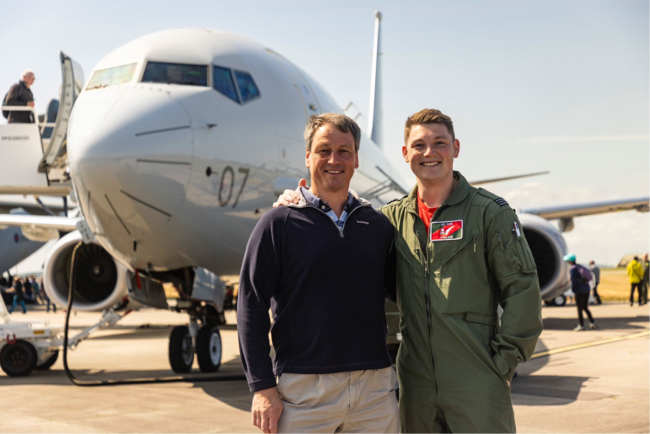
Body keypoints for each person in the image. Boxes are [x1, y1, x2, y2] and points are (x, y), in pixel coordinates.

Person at [275, 109, 543, 433]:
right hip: (415, 385)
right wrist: (298, 202)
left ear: (455, 148)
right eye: (419, 145)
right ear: (405, 154)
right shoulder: (388, 220)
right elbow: (344, 218)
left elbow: (522, 290)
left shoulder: (489, 213)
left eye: (439, 143)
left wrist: (502, 364)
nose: (429, 153)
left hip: (477, 377)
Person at [238, 113, 398, 434]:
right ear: (308, 157)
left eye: (344, 151)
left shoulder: (377, 225)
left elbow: (404, 292)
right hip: (304, 390)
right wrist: (262, 387)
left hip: (375, 392)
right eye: (324, 150)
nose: (333, 160)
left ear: (356, 161)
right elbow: (250, 306)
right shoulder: (278, 223)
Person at [564, 254, 598, 331]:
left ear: (569, 261)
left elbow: (574, 282)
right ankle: (593, 323)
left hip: (579, 291)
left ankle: (581, 325)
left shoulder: (573, 269)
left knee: (579, 309)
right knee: (585, 307)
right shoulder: (580, 266)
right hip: (586, 289)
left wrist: (573, 291)